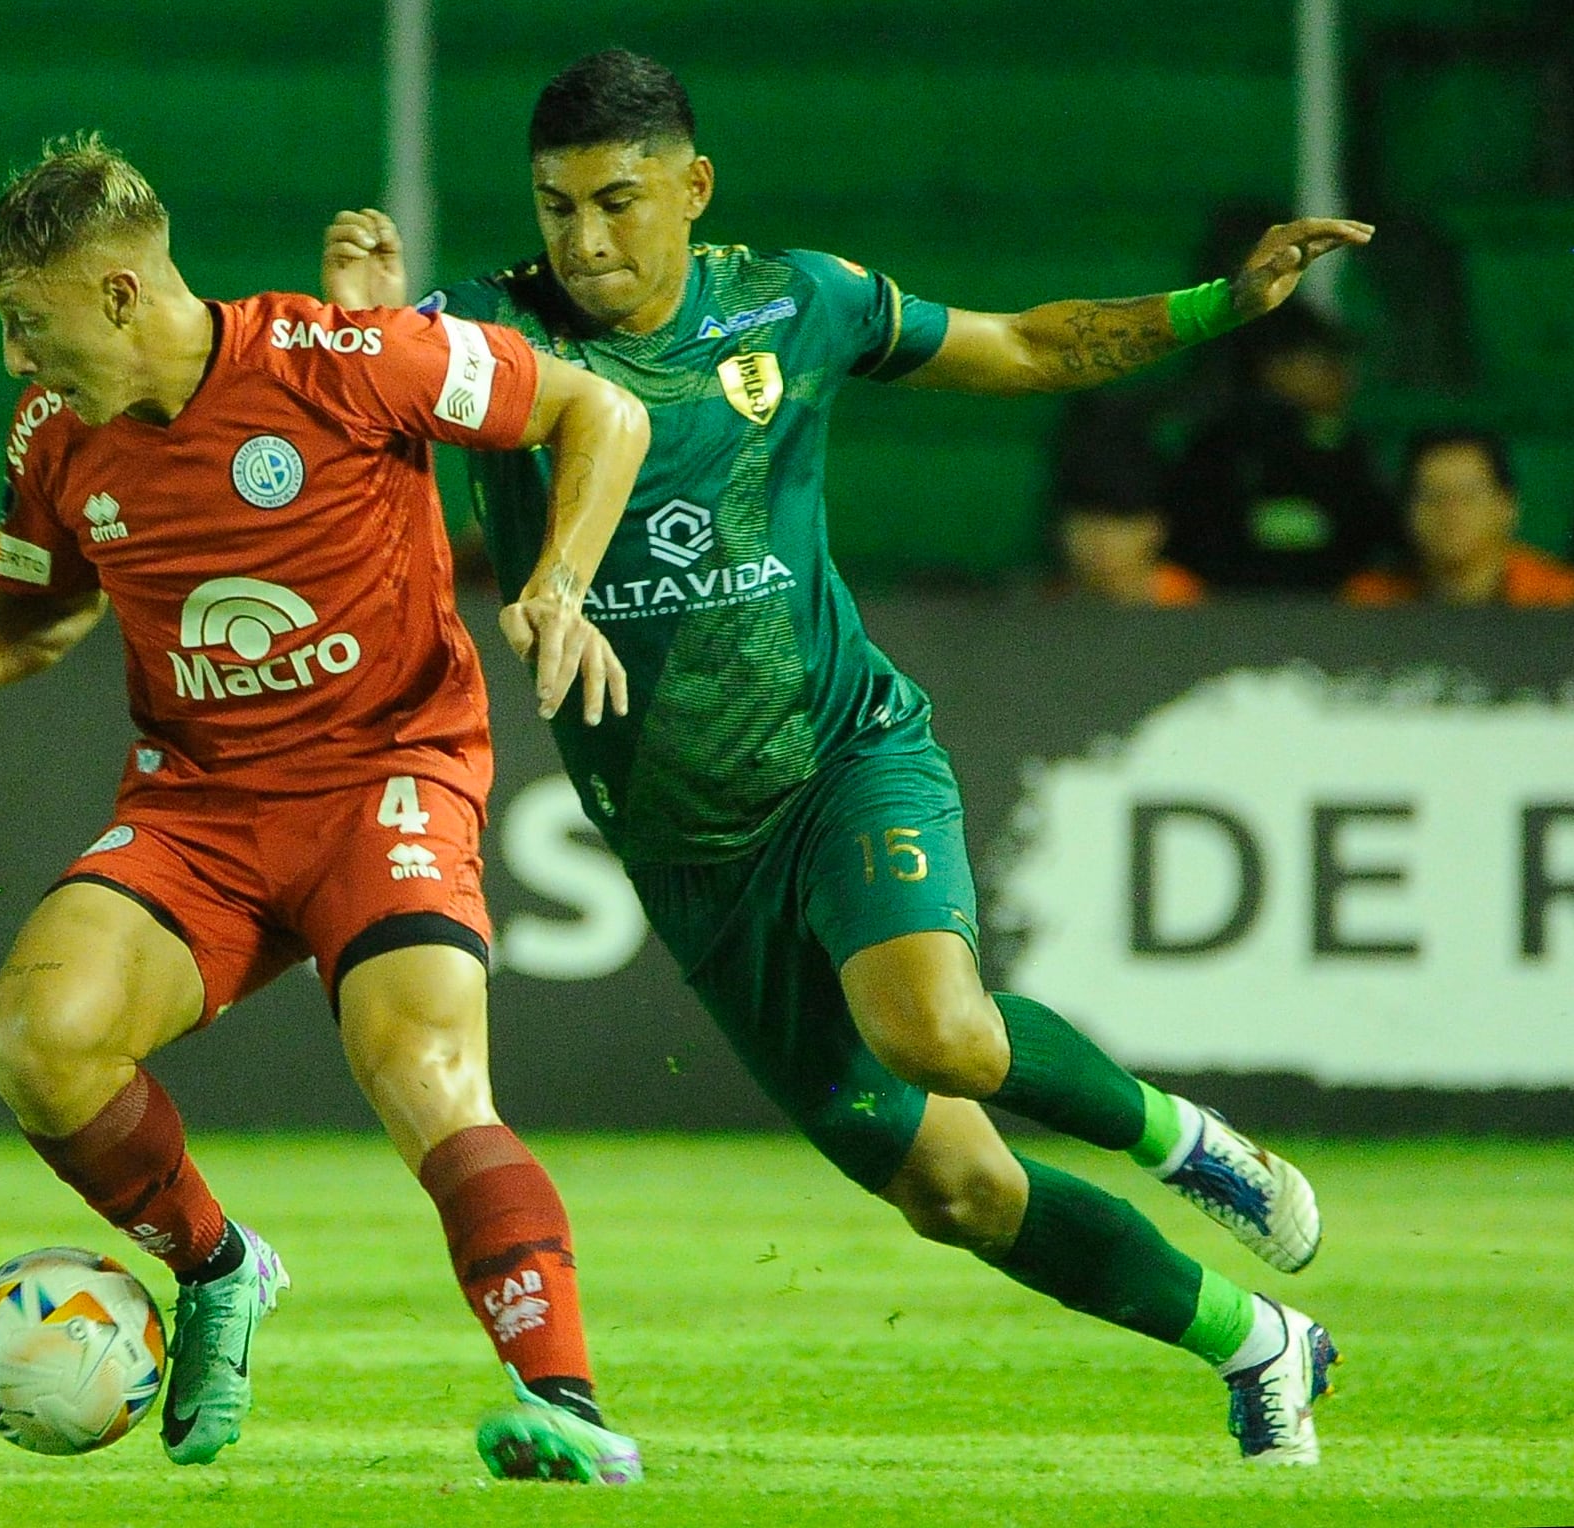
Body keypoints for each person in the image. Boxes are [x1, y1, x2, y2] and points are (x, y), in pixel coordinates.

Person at [324, 49, 1367, 1464]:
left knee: (931, 1027)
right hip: (689, 859)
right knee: (953, 1192)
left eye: (619, 202)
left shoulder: (796, 300)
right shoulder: (490, 338)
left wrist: (1215, 307)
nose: (584, 240)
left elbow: (1028, 347)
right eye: (556, 206)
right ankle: (1259, 1347)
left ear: (692, 190)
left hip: (839, 760)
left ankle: (1181, 1144)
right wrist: (359, 335)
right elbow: (326, 432)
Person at [0, 136, 652, 1484]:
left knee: (421, 1069)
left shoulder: (338, 363)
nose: (9, 362)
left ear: (115, 295)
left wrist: (559, 586)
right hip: (199, 808)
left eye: (21, 322)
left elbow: (598, 414)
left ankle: (564, 1403)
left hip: (382, 775)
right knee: (40, 1043)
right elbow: (37, 617)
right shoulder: (56, 437)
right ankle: (220, 1271)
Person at [1164, 301, 1399, 592]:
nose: (1342, 375)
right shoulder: (1218, 451)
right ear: (1274, 366)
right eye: (1324, 360)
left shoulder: (1345, 448)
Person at [1344, 428, 1574, 607]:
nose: (1451, 512)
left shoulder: (1562, 599)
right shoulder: (1369, 602)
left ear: (1508, 507)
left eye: (1470, 495)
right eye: (1433, 496)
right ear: (1408, 511)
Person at [1047, 398, 1204, 606]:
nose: (1099, 542)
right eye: (1085, 520)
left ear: (1155, 528)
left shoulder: (1189, 605)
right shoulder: (1050, 606)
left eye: (1119, 521)